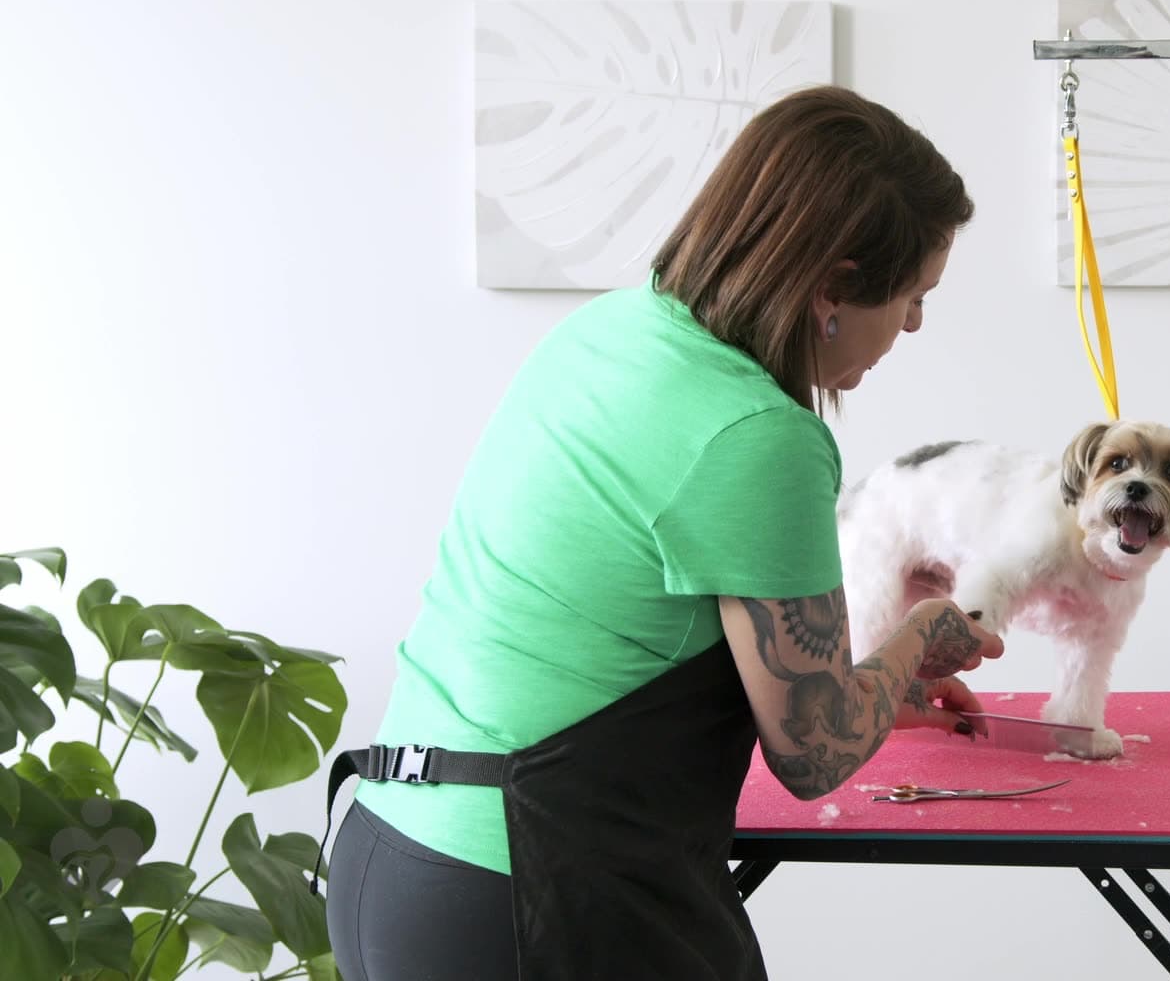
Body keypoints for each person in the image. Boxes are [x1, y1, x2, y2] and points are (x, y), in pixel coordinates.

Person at [318, 85, 1004, 981]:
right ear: (834, 285)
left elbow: (629, 636)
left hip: (394, 858)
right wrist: (919, 638)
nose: (913, 323)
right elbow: (813, 751)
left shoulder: (617, 328)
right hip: (526, 894)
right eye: (913, 294)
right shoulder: (759, 435)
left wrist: (863, 688)